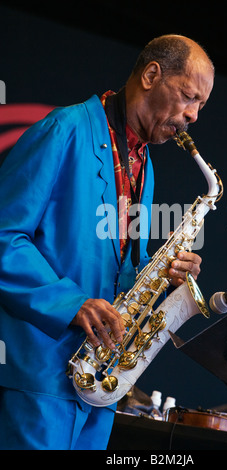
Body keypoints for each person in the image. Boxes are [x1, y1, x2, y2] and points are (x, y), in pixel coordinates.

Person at [0, 34, 214, 450]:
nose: (193, 115)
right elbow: (5, 235)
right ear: (152, 75)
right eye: (189, 96)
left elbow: (115, 261)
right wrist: (71, 302)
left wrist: (163, 270)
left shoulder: (142, 162)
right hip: (41, 378)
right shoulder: (65, 129)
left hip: (99, 383)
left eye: (200, 106)